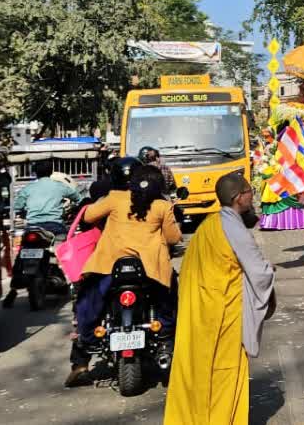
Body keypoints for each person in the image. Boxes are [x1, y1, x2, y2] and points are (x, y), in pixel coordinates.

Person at [165, 171, 275, 424]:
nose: (252, 197)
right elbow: (259, 273)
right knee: (223, 371)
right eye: (250, 192)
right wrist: (270, 270)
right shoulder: (233, 227)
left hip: (199, 311)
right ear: (239, 198)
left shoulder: (210, 224)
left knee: (197, 370)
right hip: (223, 313)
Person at [65, 162, 182, 387]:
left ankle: (82, 357)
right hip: (150, 272)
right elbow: (173, 238)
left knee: (86, 302)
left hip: (109, 268)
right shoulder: (161, 206)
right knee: (168, 300)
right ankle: (166, 341)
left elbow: (87, 217)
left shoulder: (115, 198)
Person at [13, 158, 80, 236]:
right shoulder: (60, 186)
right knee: (64, 245)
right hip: (55, 226)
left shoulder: (28, 188)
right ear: (51, 172)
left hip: (33, 227)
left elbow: (17, 207)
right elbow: (78, 198)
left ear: (36, 173)